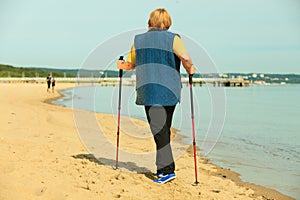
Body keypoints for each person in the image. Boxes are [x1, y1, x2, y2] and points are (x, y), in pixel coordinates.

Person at [117, 8, 195, 184]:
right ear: (167, 22)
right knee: (163, 129)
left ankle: (167, 170)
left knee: (159, 131)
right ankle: (163, 169)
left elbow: (130, 65)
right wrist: (190, 68)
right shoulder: (174, 38)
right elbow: (185, 57)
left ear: (150, 21)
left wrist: (120, 64)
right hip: (170, 90)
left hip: (150, 90)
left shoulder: (139, 40)